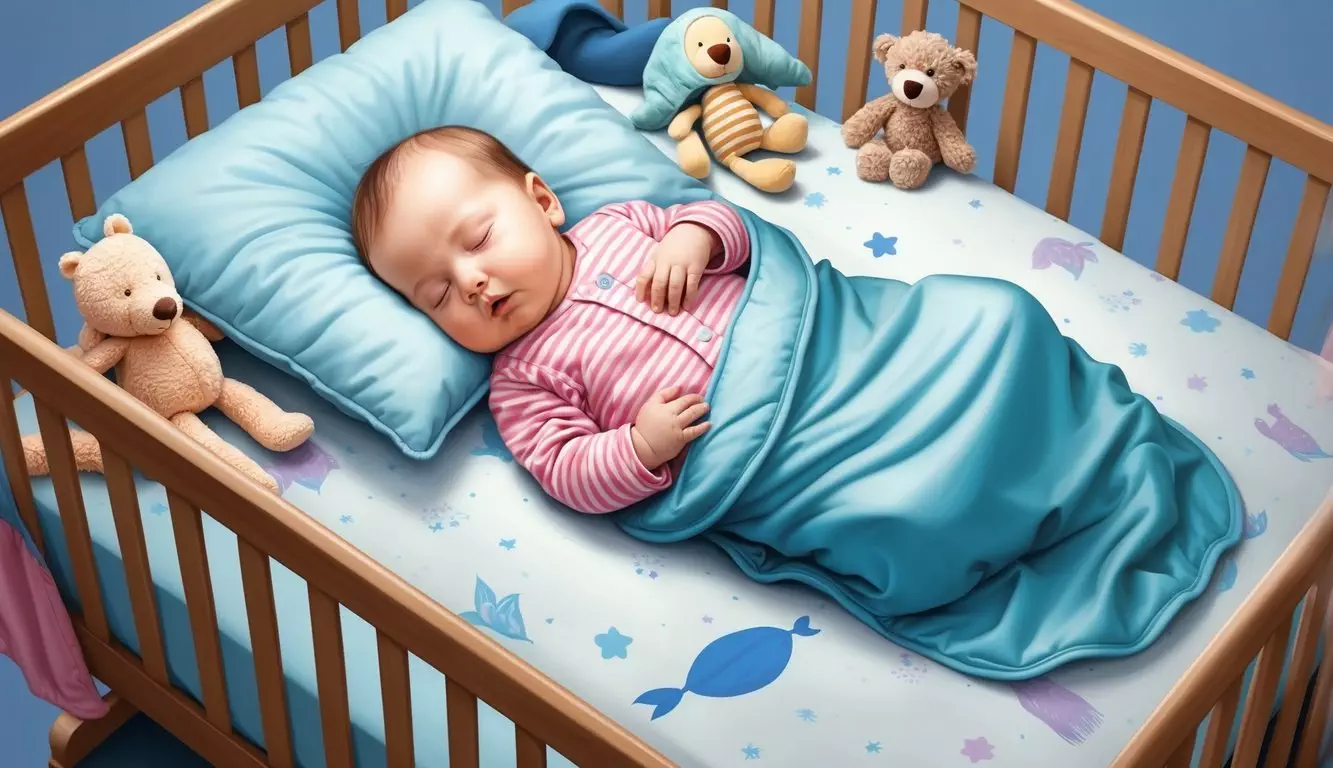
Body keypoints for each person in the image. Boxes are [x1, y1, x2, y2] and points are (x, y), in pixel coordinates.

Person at [351, 125, 750, 514]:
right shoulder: (520, 384)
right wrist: (641, 446)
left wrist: (696, 237)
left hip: (793, 339)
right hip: (750, 449)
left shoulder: (617, 224)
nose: (469, 282)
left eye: (479, 240)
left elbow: (733, 228)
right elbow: (565, 468)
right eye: (439, 295)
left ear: (542, 202)